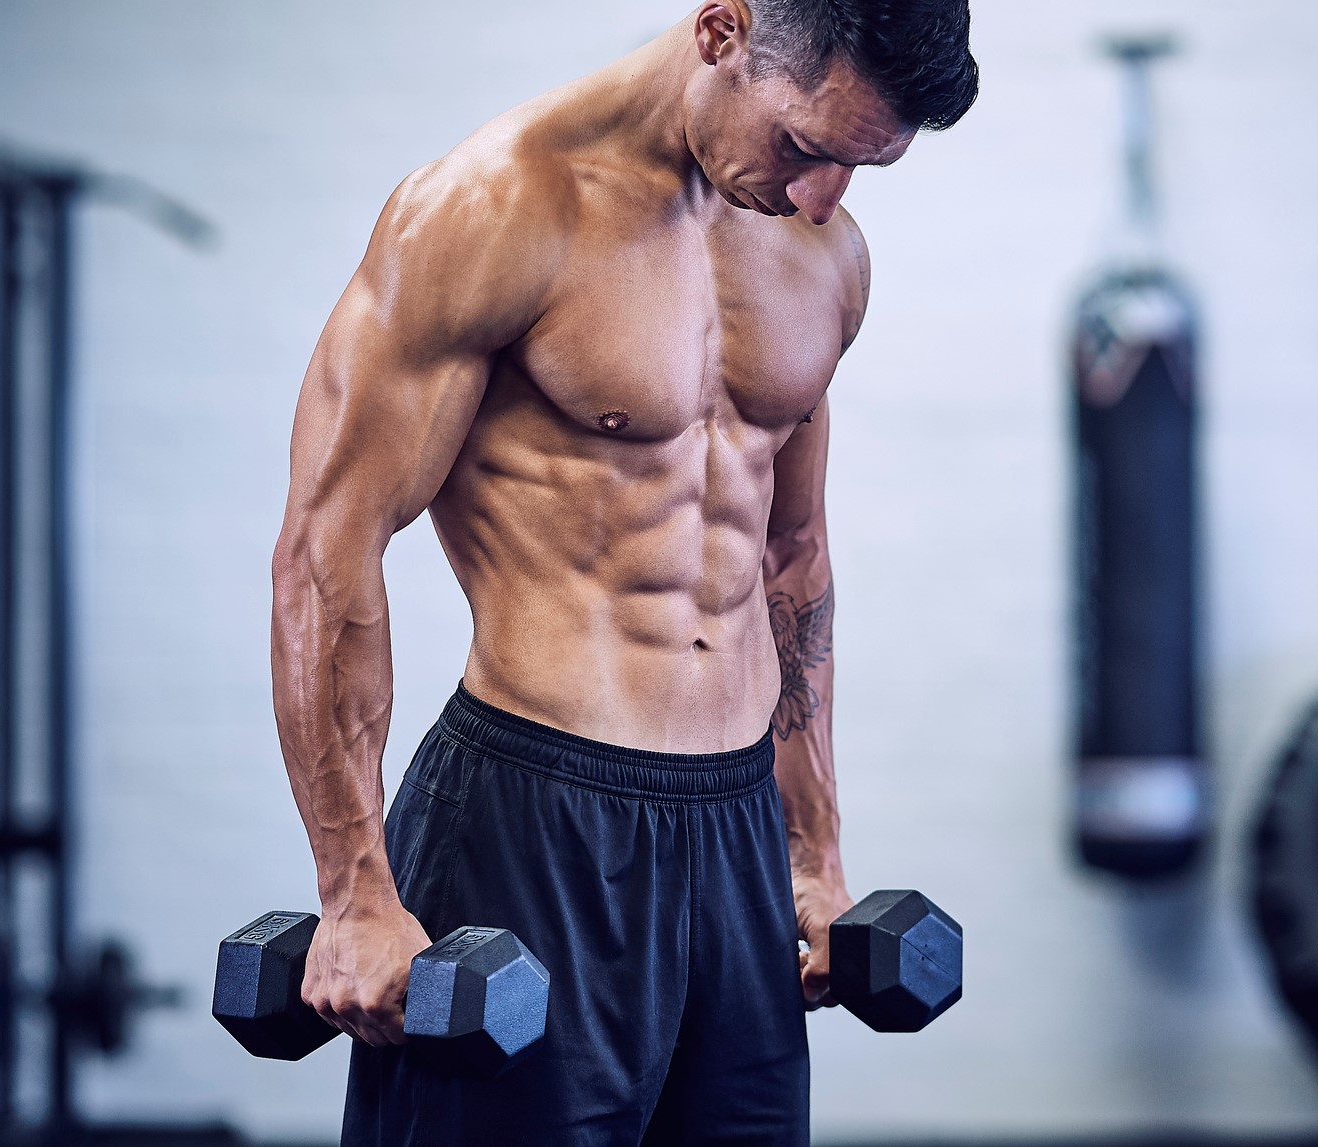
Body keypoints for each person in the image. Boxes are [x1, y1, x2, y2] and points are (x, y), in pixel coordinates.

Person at [270, 0, 976, 1141]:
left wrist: (813, 852)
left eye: (856, 167)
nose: (818, 198)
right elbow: (324, 551)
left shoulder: (822, 256)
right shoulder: (494, 210)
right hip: (531, 820)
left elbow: (788, 555)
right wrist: (354, 892)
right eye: (803, 147)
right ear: (719, 33)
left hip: (734, 828)